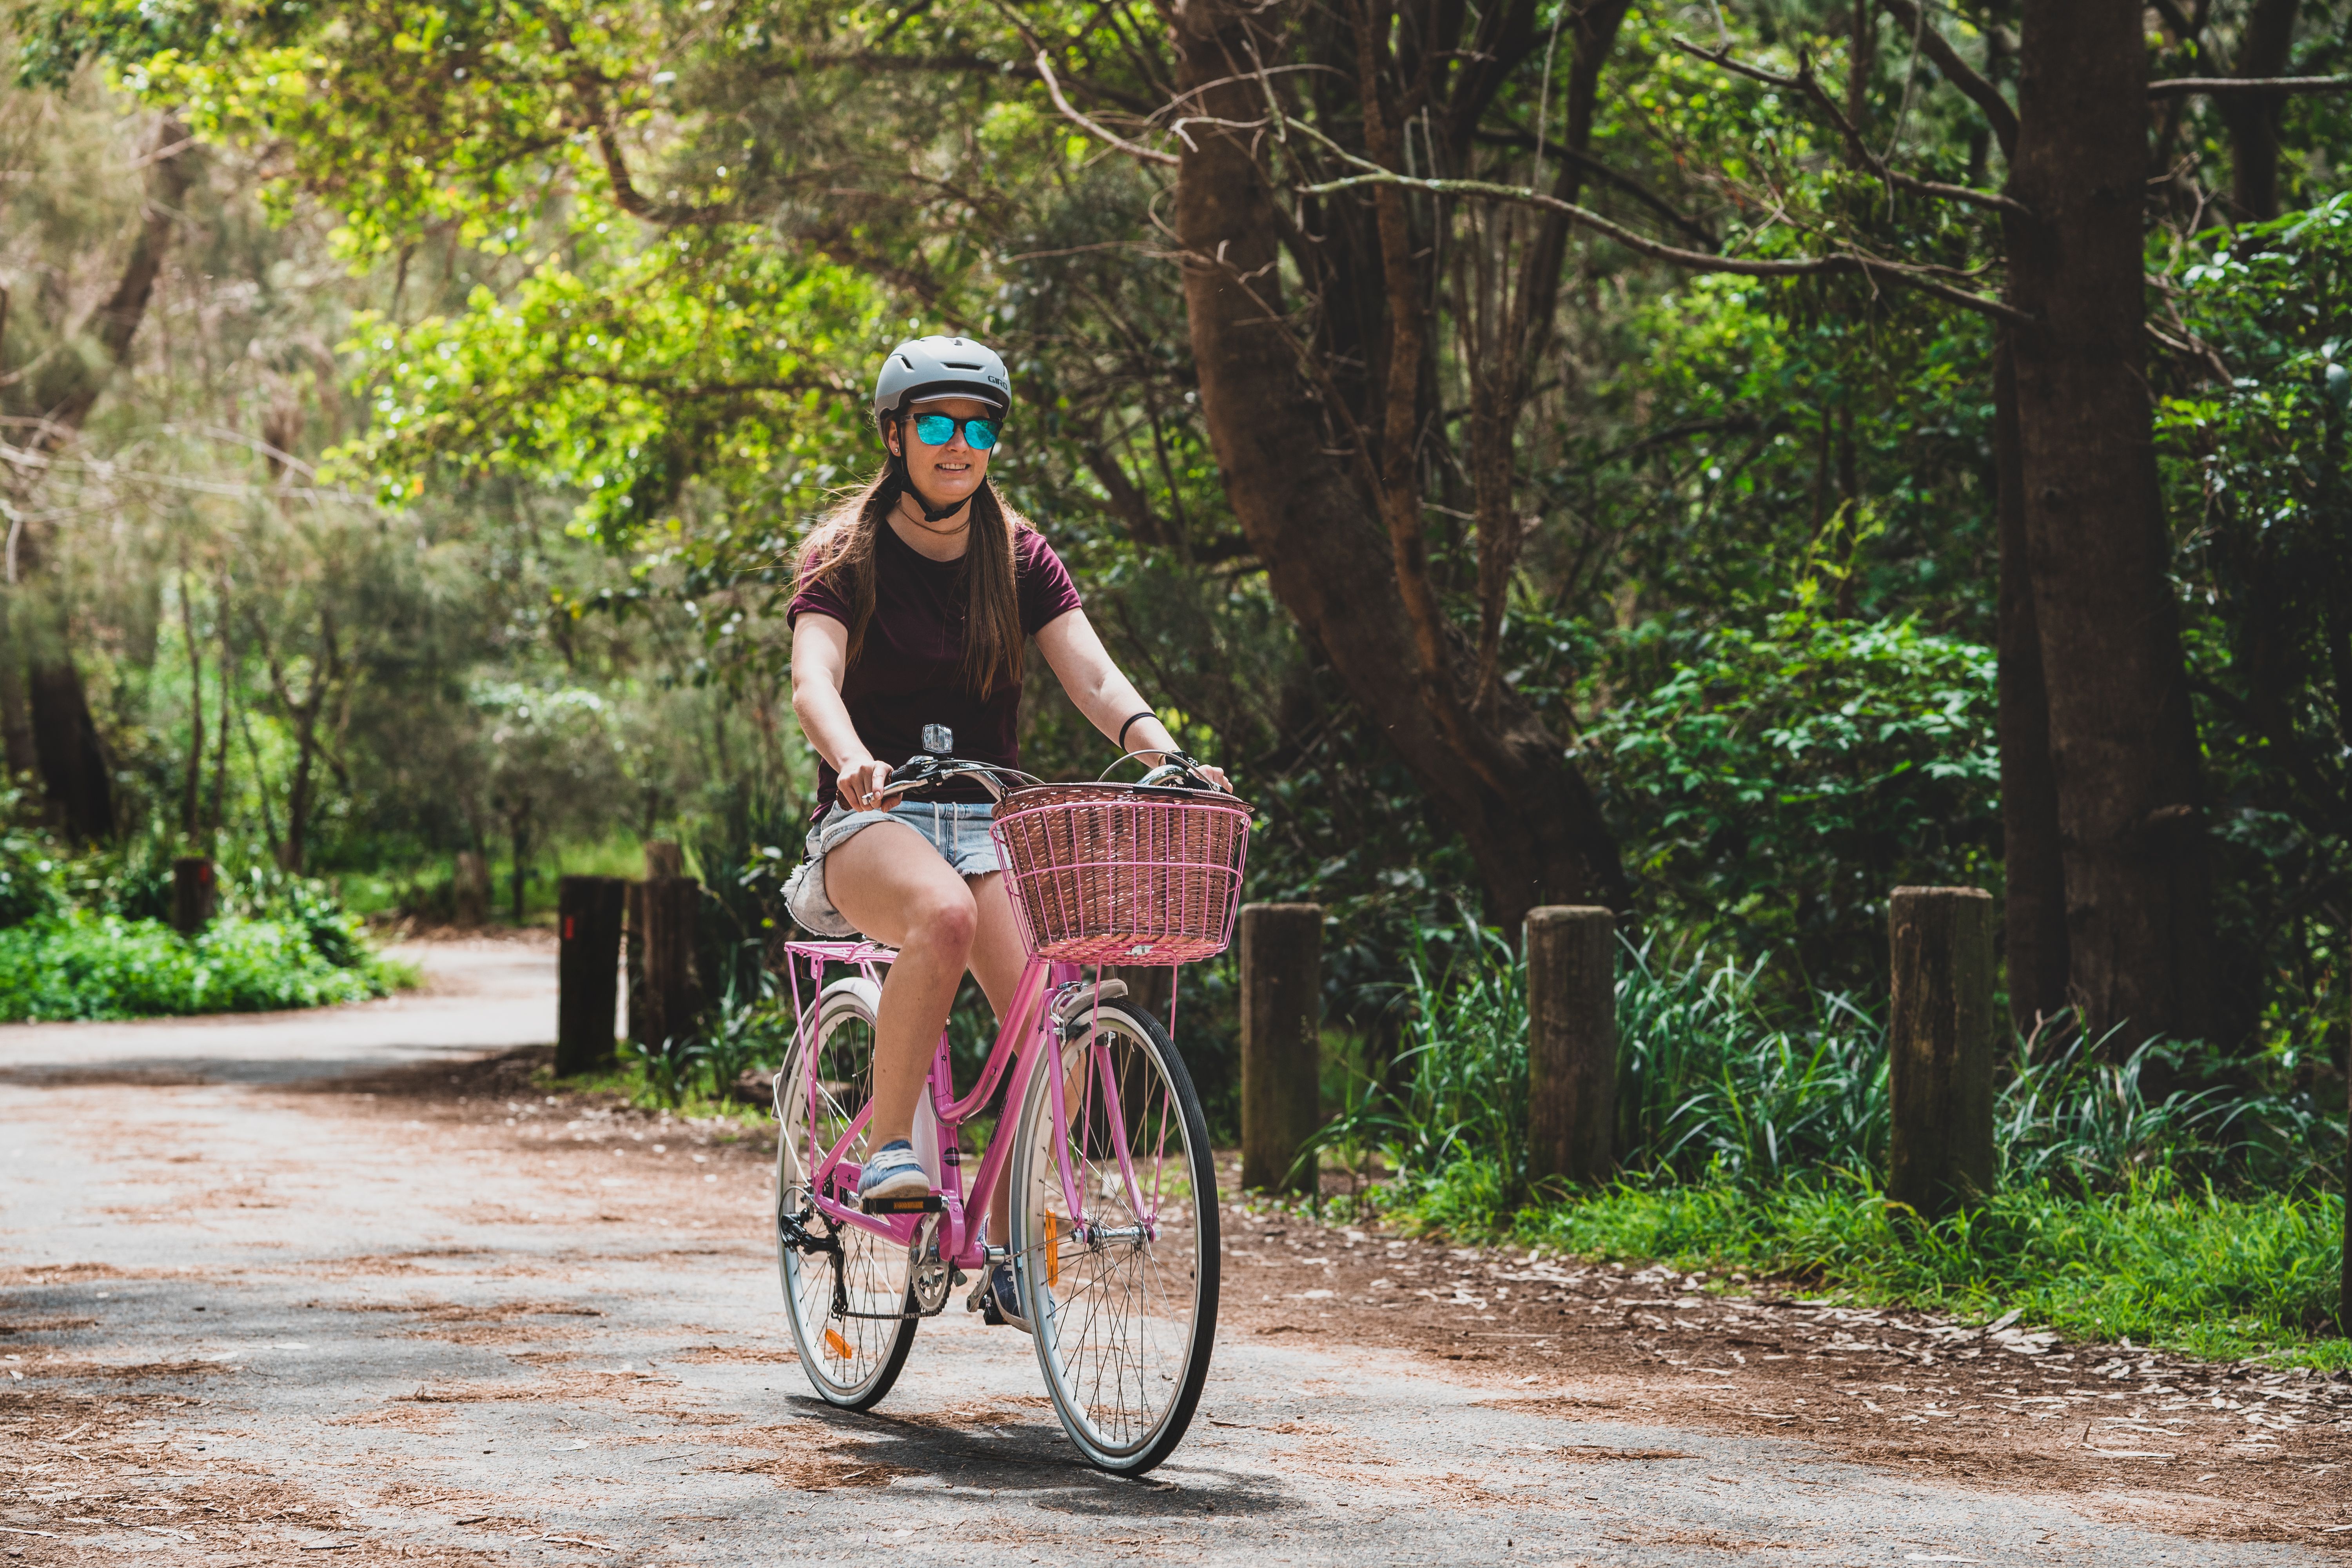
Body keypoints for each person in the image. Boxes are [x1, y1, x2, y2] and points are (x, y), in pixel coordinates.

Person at [785, 334, 1229, 1330]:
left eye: (979, 427)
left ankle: (1022, 1236)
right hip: (875, 818)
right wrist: (853, 756)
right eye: (937, 424)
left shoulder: (1017, 553)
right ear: (896, 436)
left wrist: (1166, 754)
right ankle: (891, 1144)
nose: (959, 444)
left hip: (993, 822)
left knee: (1058, 1006)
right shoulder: (847, 554)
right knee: (936, 916)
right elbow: (815, 676)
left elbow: (1094, 675)